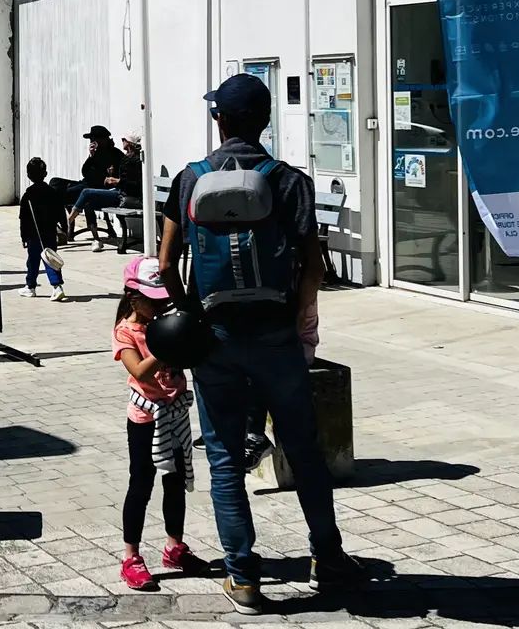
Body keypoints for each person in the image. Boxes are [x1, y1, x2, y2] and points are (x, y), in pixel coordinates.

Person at [157, 73, 361, 614]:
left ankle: (244, 577)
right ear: (265, 121)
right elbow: (313, 266)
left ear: (218, 119)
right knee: (304, 450)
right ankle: (328, 557)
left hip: (215, 339)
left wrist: (191, 313)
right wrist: (297, 319)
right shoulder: (288, 180)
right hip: (275, 335)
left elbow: (163, 265)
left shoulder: (189, 178)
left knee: (225, 457)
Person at [113, 256, 212, 591]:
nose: (158, 308)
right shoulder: (126, 331)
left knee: (177, 481)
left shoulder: (165, 322)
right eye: (151, 302)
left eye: (162, 301)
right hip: (145, 417)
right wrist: (167, 343)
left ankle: (174, 547)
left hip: (175, 412)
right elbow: (138, 371)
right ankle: (131, 556)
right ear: (132, 297)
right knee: (141, 482)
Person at [58, 125, 127, 243]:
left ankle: (63, 229)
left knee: (59, 196)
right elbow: (85, 172)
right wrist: (91, 156)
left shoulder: (115, 155)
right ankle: (62, 228)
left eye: (94, 139)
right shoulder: (96, 153)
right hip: (85, 184)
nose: (92, 142)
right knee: (56, 183)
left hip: (95, 189)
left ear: (102, 140)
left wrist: (104, 179)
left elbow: (107, 179)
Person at [18, 157, 65, 300]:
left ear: (28, 175)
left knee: (33, 260)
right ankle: (55, 286)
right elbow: (60, 211)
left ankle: (32, 286)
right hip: (49, 231)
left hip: (33, 234)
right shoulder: (52, 192)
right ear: (45, 174)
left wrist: (23, 236)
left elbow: (23, 219)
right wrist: (64, 227)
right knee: (50, 257)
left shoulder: (28, 195)